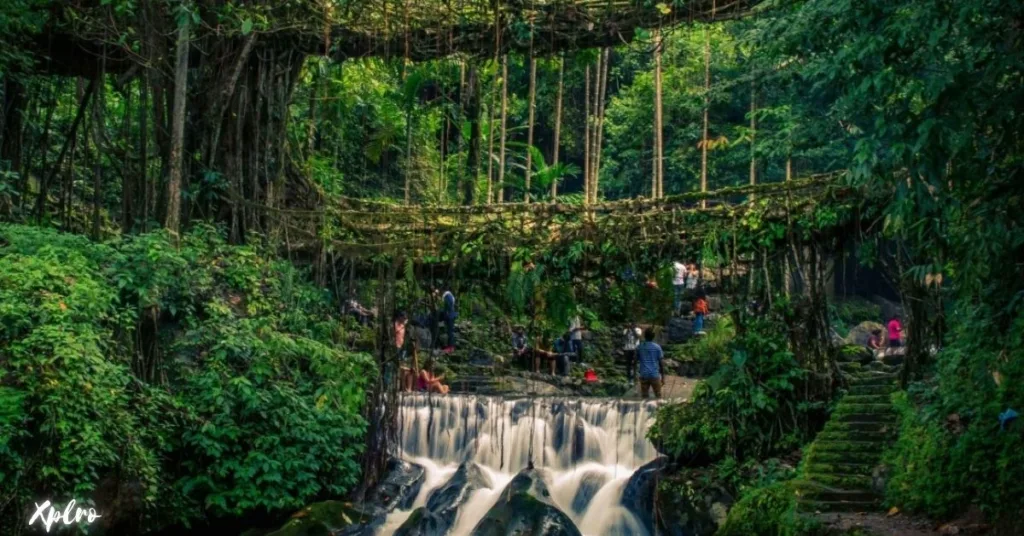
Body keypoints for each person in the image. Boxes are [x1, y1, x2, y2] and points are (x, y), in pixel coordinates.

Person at [636, 328, 665, 399]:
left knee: (644, 397)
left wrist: (636, 374)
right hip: (654, 374)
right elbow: (661, 364)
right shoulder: (657, 347)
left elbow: (636, 360)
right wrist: (663, 378)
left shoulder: (640, 347)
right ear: (653, 336)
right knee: (658, 396)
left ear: (644, 336)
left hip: (644, 374)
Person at [436, 286, 457, 352]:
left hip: (450, 316)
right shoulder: (449, 295)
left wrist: (445, 313)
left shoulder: (447, 296)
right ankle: (450, 346)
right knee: (449, 331)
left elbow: (448, 306)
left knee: (450, 332)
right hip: (450, 315)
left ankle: (451, 347)